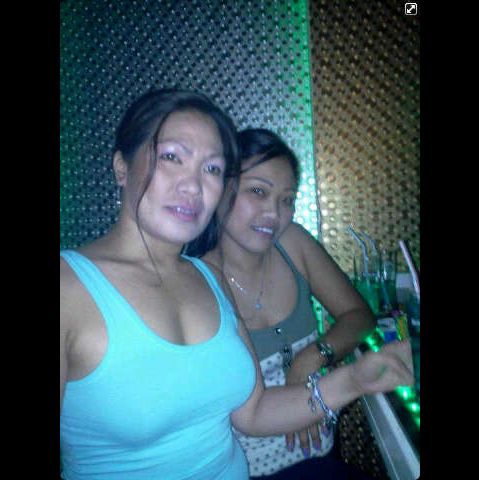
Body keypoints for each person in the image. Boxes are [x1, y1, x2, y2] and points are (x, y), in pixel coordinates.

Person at [60, 89, 413, 480]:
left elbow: (254, 412)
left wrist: (357, 379)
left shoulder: (207, 278)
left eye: (212, 169)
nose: (193, 185)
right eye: (172, 157)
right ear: (121, 167)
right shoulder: (68, 289)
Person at [198, 128, 378, 478]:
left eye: (287, 199)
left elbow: (360, 316)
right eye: (258, 191)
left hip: (321, 456)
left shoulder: (292, 242)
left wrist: (309, 359)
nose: (274, 212)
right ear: (221, 190)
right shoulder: (199, 279)